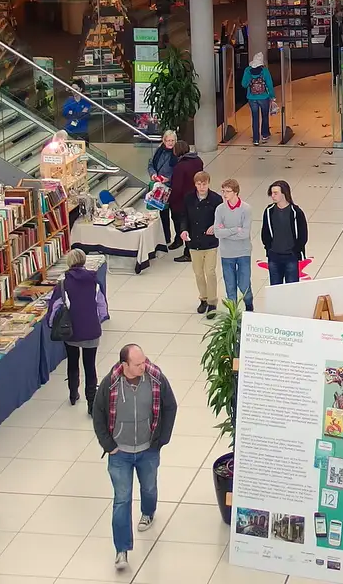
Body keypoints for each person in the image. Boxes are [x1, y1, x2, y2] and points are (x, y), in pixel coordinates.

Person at [92, 344, 179, 571]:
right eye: (138, 364)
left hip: (148, 448)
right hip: (119, 453)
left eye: (144, 361)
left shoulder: (155, 378)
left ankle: (148, 512)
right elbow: (98, 414)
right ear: (124, 365)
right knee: (122, 499)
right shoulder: (110, 384)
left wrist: (161, 439)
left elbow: (170, 406)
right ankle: (121, 550)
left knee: (148, 487)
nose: (144, 366)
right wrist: (108, 445)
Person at [48, 248, 108, 407]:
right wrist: (97, 321)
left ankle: (73, 393)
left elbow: (55, 307)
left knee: (73, 362)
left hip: (71, 331)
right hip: (91, 330)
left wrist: (51, 324)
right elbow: (102, 306)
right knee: (90, 365)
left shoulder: (63, 284)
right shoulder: (94, 281)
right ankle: (91, 401)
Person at [180, 171, 222, 317]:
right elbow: (184, 216)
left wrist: (215, 226)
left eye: (204, 184)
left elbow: (221, 218)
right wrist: (184, 230)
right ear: (195, 184)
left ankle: (212, 301)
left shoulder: (216, 199)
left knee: (210, 272)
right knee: (198, 273)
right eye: (199, 184)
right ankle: (203, 298)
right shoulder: (189, 198)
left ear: (208, 183)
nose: (202, 187)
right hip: (194, 241)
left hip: (210, 242)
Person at [214, 179, 254, 312]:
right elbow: (217, 232)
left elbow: (245, 233)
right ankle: (233, 313)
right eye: (223, 191)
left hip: (243, 251)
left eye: (228, 191)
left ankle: (249, 304)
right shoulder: (220, 209)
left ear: (235, 192)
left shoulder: (246, 209)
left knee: (244, 284)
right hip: (227, 253)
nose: (225, 194)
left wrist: (227, 232)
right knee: (229, 285)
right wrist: (235, 229)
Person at [261, 180, 308, 284]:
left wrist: (296, 250)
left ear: (284, 193)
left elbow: (303, 234)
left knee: (291, 290)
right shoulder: (269, 211)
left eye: (275, 193)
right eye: (272, 193)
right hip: (274, 257)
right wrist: (269, 249)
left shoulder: (296, 212)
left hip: (291, 257)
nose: (272, 196)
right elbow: (265, 233)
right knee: (275, 288)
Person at [167, 141, 204, 263]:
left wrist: (170, 199)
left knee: (182, 224)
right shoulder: (197, 160)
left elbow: (177, 187)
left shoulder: (180, 167)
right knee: (192, 224)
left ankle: (187, 251)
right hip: (196, 197)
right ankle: (182, 244)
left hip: (182, 201)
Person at [146, 130, 178, 254]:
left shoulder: (177, 153)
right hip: (159, 188)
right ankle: (166, 237)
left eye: (172, 141)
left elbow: (179, 171)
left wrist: (169, 179)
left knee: (175, 214)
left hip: (172, 188)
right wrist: (153, 174)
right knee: (163, 213)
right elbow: (150, 164)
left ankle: (178, 239)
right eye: (168, 140)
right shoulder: (158, 151)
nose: (170, 143)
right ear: (163, 141)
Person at [241, 52, 275, 145]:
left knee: (255, 117)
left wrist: (250, 82)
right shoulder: (265, 71)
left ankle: (255, 139)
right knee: (265, 116)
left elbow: (243, 84)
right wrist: (272, 95)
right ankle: (265, 134)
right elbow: (269, 84)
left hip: (251, 98)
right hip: (264, 97)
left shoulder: (247, 70)